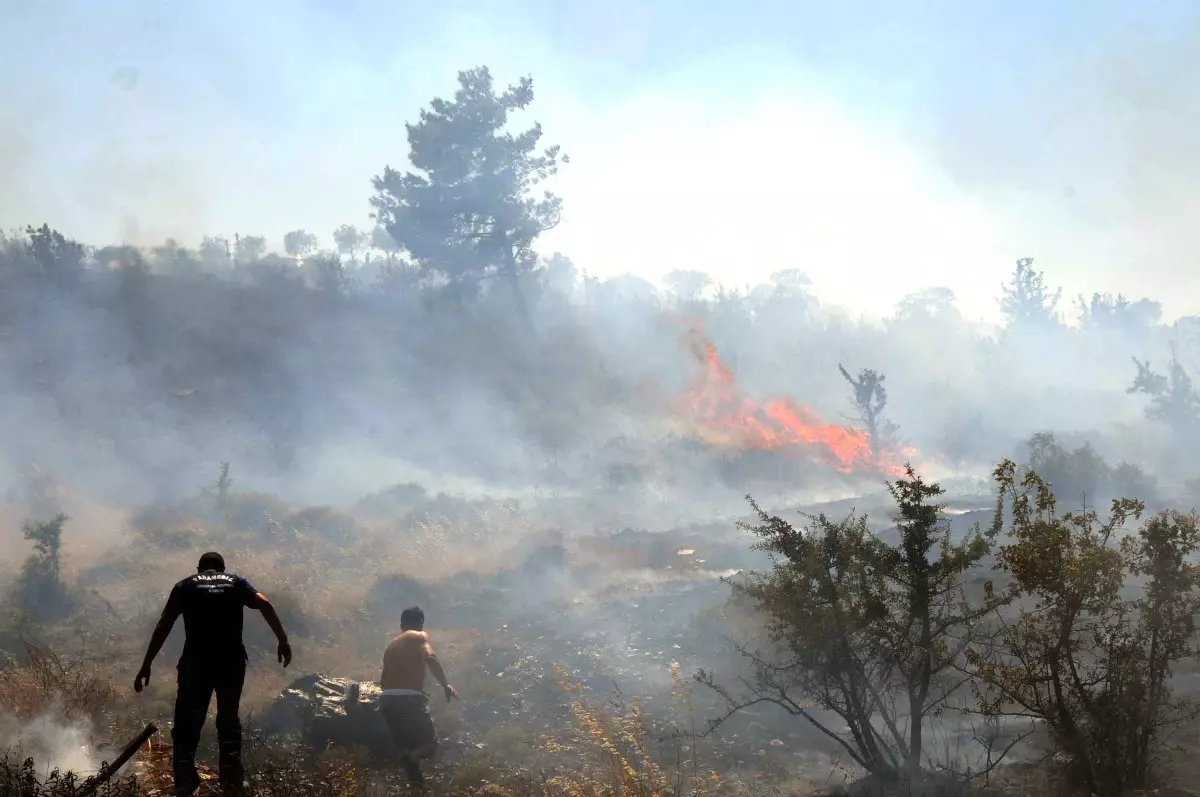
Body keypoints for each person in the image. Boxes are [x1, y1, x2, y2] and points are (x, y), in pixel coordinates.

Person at [134, 552, 292, 797]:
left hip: (196, 664)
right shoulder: (236, 582)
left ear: (199, 568)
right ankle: (231, 782)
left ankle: (185, 783)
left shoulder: (185, 585)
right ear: (222, 568)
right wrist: (282, 639)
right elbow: (265, 604)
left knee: (187, 724)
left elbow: (165, 623)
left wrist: (147, 664)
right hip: (230, 663)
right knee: (228, 721)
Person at [380, 606, 458, 789]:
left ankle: (417, 789)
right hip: (408, 700)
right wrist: (445, 684)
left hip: (386, 700)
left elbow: (383, 681)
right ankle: (408, 761)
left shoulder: (392, 645)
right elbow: (430, 657)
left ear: (401, 624)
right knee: (430, 745)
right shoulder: (419, 636)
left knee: (409, 750)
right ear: (421, 623)